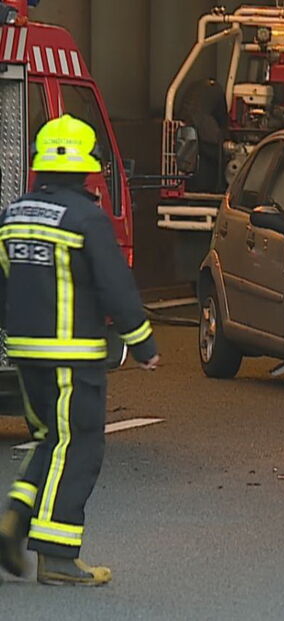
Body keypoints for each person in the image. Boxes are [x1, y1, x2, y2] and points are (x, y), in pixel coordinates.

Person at [0, 115, 159, 586]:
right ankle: (58, 556)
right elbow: (114, 285)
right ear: (87, 169)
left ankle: (17, 515)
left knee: (52, 437)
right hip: (73, 355)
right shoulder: (87, 217)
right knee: (80, 444)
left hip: (24, 352)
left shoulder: (12, 214)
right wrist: (142, 340)